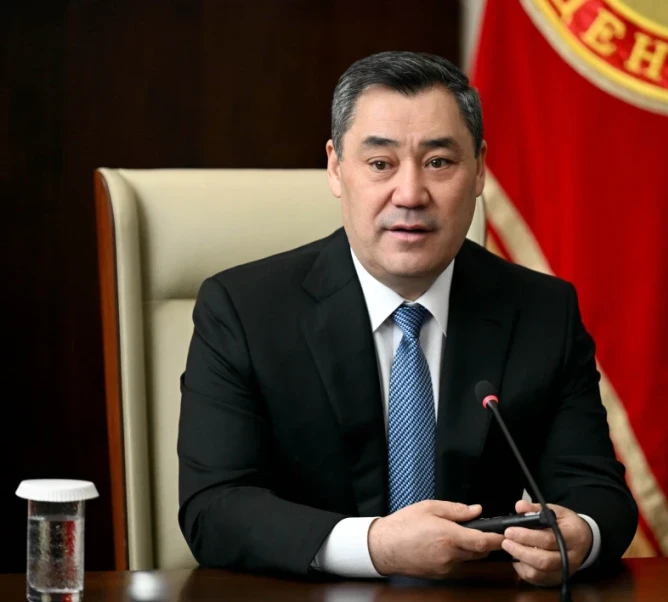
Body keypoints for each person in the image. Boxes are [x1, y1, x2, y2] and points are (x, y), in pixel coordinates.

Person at [178, 50, 637, 587]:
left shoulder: (542, 311)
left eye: (439, 162)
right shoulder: (242, 310)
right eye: (381, 164)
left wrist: (580, 535)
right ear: (335, 167)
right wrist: (375, 546)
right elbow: (214, 508)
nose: (411, 194)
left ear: (479, 169)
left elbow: (597, 492)